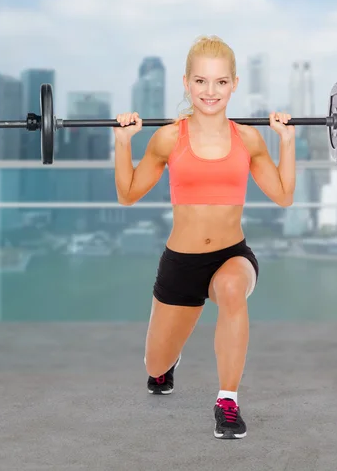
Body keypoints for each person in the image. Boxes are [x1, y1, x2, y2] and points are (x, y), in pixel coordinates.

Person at [113, 35, 296, 440]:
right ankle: (167, 365)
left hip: (232, 255)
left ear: (234, 84)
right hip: (181, 263)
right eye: (200, 81)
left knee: (232, 288)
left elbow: (284, 196)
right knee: (153, 366)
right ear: (185, 83)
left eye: (219, 82)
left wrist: (287, 141)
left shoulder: (248, 139)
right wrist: (123, 142)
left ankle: (227, 401)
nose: (209, 91)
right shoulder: (168, 138)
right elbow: (127, 195)